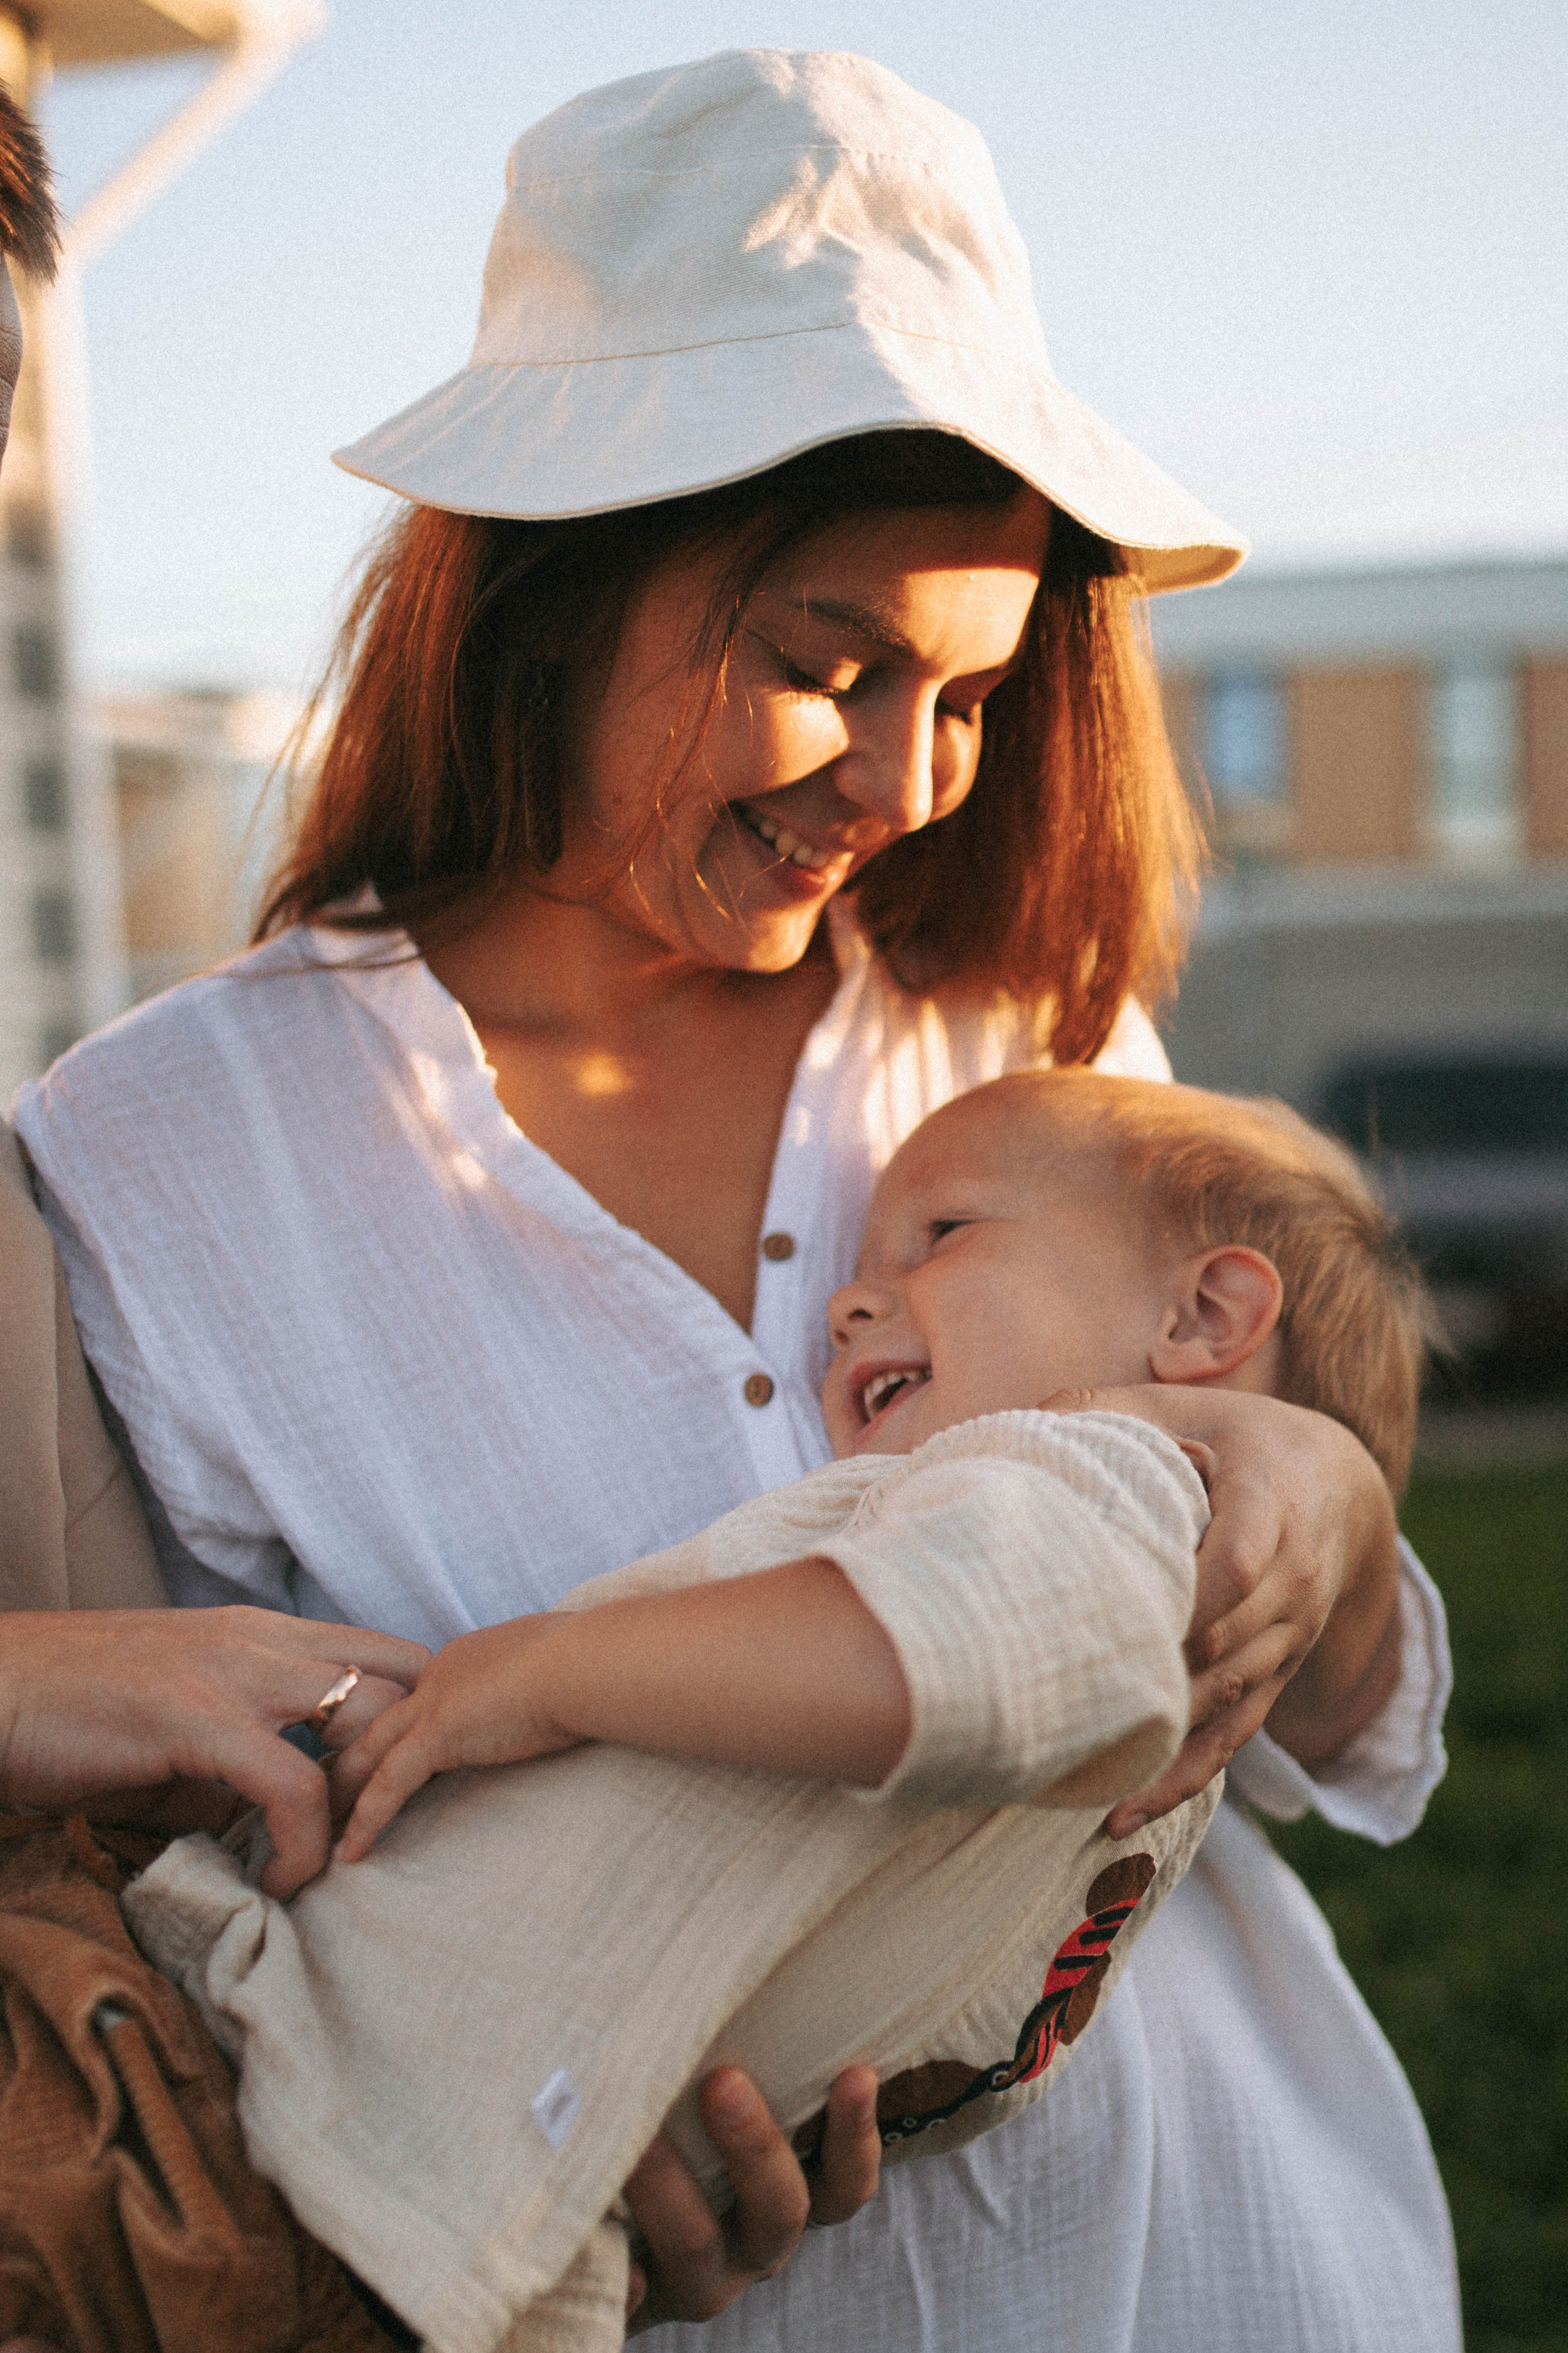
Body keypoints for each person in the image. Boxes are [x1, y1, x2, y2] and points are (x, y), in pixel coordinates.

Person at [9, 48, 1460, 2350]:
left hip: (1211, 2255)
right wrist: (520, 2072)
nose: (903, 778)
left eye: (969, 695)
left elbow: (1322, 1737)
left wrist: (1327, 1510)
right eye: (827, 665)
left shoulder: (1030, 1041)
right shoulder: (163, 1150)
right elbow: (219, 1851)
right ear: (558, 589)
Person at [128, 1068, 1430, 2353]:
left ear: (1204, 1316)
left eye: (940, 1234)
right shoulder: (1111, 1584)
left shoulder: (1104, 1476)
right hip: (407, 2158)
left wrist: (540, 1671)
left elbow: (928, 1660)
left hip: (319, 2077)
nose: (847, 1301)